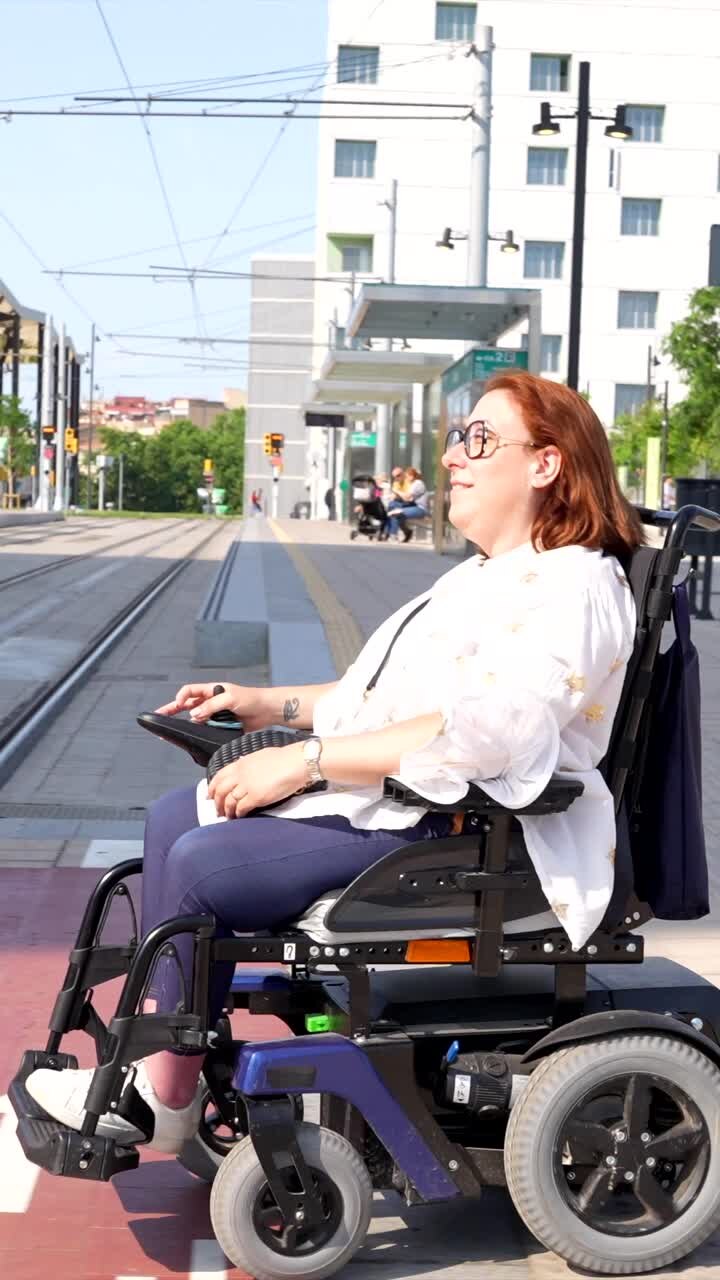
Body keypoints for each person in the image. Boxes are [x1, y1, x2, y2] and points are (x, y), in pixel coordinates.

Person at [27, 372, 642, 1153]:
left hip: (466, 828)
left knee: (202, 863)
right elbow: (374, 699)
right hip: (413, 803)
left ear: (546, 465)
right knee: (172, 814)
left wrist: (306, 764)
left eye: (480, 438)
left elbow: (492, 730)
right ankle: (164, 1068)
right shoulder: (486, 576)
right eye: (459, 435)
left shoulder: (575, 584)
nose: (455, 455)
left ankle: (162, 1094)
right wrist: (263, 703)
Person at [386, 466, 429, 542]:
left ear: (412, 476)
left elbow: (407, 497)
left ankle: (391, 534)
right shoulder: (414, 483)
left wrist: (396, 491)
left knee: (395, 512)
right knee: (393, 508)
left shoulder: (418, 483)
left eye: (407, 476)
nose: (406, 478)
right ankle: (393, 534)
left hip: (420, 509)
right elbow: (406, 498)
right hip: (414, 506)